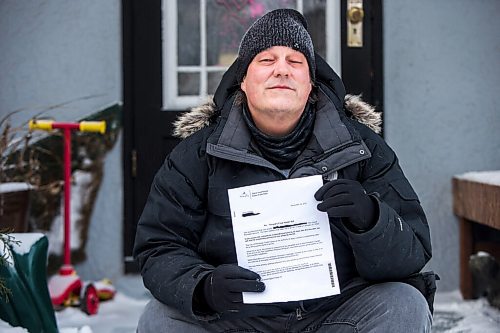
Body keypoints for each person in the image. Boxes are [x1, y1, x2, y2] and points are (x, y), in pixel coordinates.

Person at [133, 8, 437, 333]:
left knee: (405, 303)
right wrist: (203, 288)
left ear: (311, 85)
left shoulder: (361, 148)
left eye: (295, 62)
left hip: (335, 313)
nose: (282, 70)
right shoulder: (197, 154)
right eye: (266, 61)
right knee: (159, 319)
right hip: (238, 318)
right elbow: (159, 246)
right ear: (244, 82)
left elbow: (414, 249)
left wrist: (370, 219)